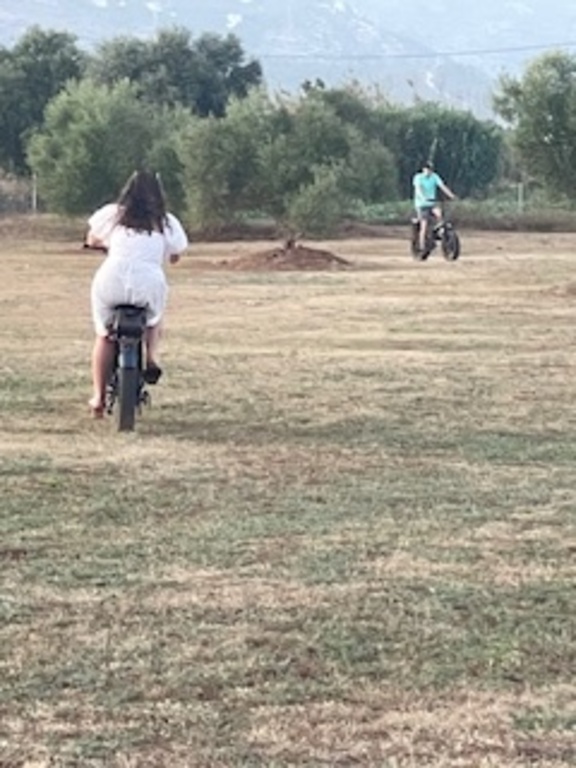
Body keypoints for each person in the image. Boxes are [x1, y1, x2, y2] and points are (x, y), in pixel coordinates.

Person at [85, 169, 188, 418]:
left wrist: (107, 245)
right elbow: (176, 254)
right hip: (148, 281)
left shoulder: (112, 214)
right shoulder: (166, 221)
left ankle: (98, 397)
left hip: (111, 278)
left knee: (104, 335)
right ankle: (152, 357)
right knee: (154, 319)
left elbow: (91, 239)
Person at [412, 160, 456, 254]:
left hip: (432, 203)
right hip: (421, 204)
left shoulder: (434, 176)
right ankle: (422, 246)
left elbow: (442, 186)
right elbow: (418, 189)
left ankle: (440, 233)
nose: (429, 172)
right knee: (424, 224)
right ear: (423, 169)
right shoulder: (418, 178)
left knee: (440, 215)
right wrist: (423, 197)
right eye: (427, 169)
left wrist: (451, 195)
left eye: (430, 170)